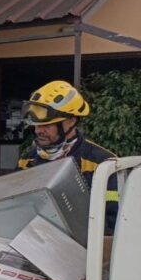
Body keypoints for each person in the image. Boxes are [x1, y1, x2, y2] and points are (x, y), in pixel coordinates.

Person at [18, 80, 118, 227]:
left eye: (46, 124)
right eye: (36, 125)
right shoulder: (27, 161)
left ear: (71, 120)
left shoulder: (103, 164)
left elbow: (114, 223)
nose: (38, 131)